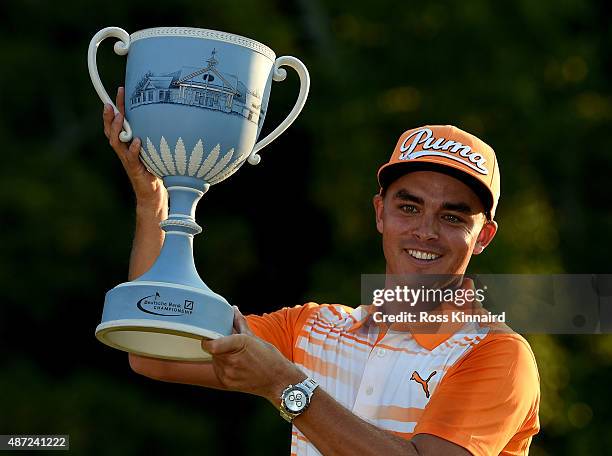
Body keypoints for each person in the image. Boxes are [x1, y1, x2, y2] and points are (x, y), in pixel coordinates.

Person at [102, 87, 540, 456]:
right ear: (379, 213)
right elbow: (153, 350)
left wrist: (285, 385)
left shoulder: (496, 354)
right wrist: (154, 204)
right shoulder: (311, 328)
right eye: (409, 207)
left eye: (453, 217)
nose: (425, 231)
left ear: (483, 237)